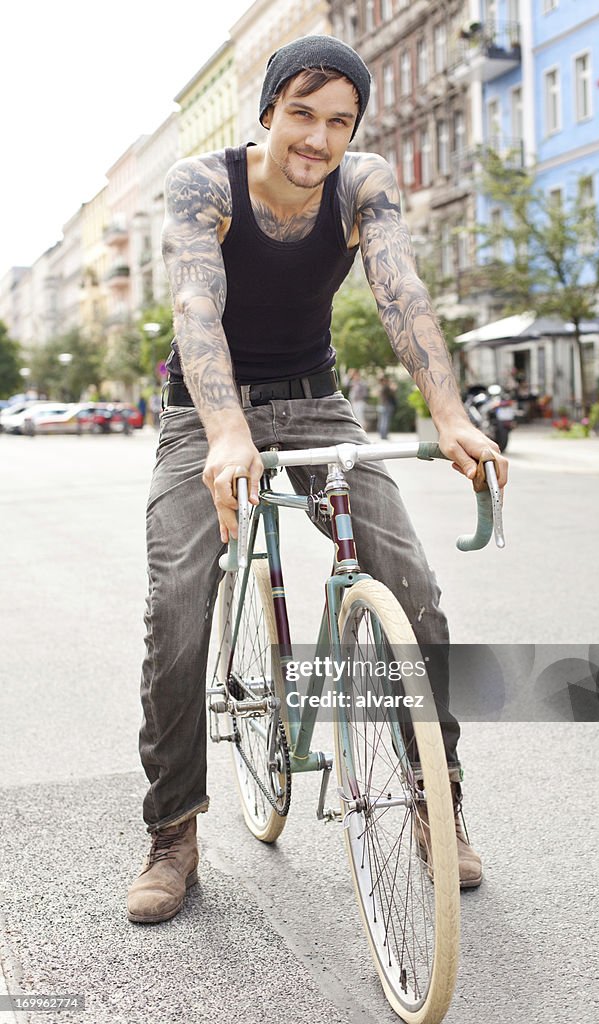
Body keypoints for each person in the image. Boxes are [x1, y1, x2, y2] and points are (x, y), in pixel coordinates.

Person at [127, 35, 508, 925]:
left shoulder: (363, 183)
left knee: (411, 585)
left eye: (339, 120)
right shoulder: (203, 185)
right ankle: (173, 831)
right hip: (203, 415)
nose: (318, 138)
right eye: (302, 113)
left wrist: (448, 414)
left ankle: (433, 802)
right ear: (267, 112)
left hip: (315, 404)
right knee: (178, 603)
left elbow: (401, 292)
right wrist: (225, 432)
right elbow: (195, 305)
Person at [377, 374, 397, 439]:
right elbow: (392, 394)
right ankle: (384, 435)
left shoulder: (380, 387)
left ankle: (382, 434)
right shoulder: (386, 387)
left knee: (382, 420)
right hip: (387, 405)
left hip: (381, 405)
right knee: (385, 421)